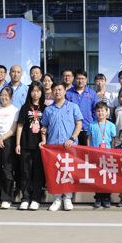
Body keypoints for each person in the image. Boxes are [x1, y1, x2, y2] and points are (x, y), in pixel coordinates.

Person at [41, 82, 83, 212]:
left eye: (60, 89)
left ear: (65, 91)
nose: (57, 92)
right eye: (55, 90)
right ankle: (57, 199)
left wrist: (72, 139)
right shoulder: (48, 109)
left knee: (69, 172)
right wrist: (43, 141)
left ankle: (68, 198)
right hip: (53, 147)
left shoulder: (73, 106)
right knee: (55, 172)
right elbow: (44, 127)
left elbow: (79, 124)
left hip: (69, 146)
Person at [16, 81, 46, 210]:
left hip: (39, 146)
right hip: (25, 145)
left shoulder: (45, 108)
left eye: (38, 91)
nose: (35, 93)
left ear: (41, 93)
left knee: (38, 173)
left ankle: (35, 199)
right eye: (33, 91)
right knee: (25, 173)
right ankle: (25, 198)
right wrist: (18, 143)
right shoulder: (25, 108)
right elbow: (20, 126)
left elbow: (46, 126)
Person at [87, 102, 117, 208]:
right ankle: (98, 197)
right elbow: (89, 138)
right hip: (95, 155)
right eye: (98, 111)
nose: (100, 113)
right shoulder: (92, 124)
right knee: (97, 177)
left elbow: (113, 140)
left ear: (107, 112)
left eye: (102, 110)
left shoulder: (111, 125)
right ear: (95, 112)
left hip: (107, 155)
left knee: (107, 176)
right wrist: (88, 151)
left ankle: (107, 197)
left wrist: (113, 152)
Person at [66, 70, 96, 140]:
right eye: (78, 78)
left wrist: (94, 124)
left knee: (87, 147)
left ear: (86, 79)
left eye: (82, 79)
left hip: (87, 128)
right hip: (72, 128)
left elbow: (95, 110)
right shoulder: (68, 93)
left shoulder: (92, 93)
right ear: (74, 79)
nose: (80, 81)